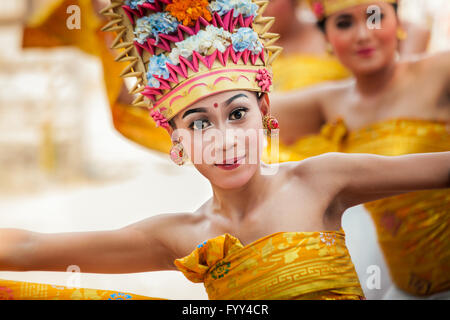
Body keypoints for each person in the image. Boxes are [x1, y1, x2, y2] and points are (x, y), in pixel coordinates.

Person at [1, 0, 449, 300]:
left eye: (237, 114)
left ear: (265, 112)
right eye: (199, 124)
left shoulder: (320, 180)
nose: (224, 138)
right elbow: (28, 247)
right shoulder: (181, 236)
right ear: (176, 141)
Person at [269, 0, 450, 298]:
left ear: (398, 22)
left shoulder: (439, 71)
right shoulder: (329, 103)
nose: (363, 35)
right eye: (343, 23)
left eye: (375, 17)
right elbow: (244, 112)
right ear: (326, 38)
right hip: (407, 290)